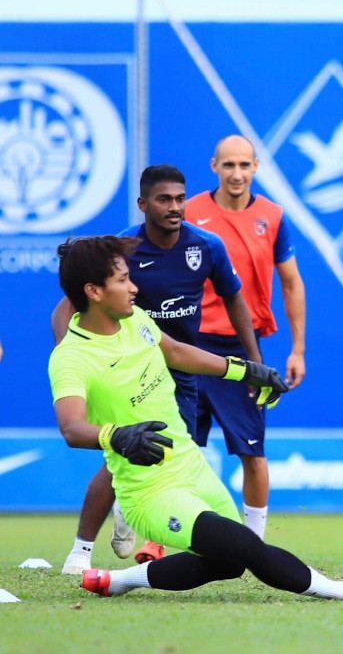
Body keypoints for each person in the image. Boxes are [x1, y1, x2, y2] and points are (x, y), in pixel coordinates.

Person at [48, 235, 343, 603]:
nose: (134, 287)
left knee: (230, 562)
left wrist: (245, 370)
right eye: (122, 280)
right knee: (246, 546)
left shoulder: (135, 319)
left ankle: (117, 581)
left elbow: (175, 351)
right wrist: (116, 436)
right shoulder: (71, 357)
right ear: (93, 291)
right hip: (149, 493)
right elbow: (71, 427)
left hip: (192, 467)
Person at [54, 165, 262, 575]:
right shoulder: (122, 250)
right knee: (120, 454)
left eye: (180, 199)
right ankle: (81, 551)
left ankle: (157, 533)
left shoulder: (206, 246)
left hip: (179, 369)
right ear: (143, 204)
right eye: (164, 199)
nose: (175, 207)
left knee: (169, 457)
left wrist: (251, 364)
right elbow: (66, 308)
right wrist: (76, 359)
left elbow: (233, 299)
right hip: (130, 369)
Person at [185, 135, 307, 540]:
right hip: (188, 344)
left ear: (255, 167)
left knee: (252, 451)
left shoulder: (272, 216)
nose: (236, 174)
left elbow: (291, 283)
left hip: (242, 349)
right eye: (228, 165)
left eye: (243, 165)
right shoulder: (188, 212)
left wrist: (297, 350)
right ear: (214, 166)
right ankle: (157, 539)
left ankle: (254, 541)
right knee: (179, 449)